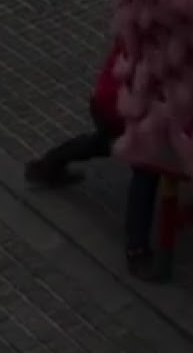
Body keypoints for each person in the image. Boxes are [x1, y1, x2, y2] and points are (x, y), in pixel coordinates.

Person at [23, 41, 164, 281]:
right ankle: (136, 249)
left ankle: (48, 165)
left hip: (111, 100)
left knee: (104, 144)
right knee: (146, 168)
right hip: (120, 105)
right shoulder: (161, 38)